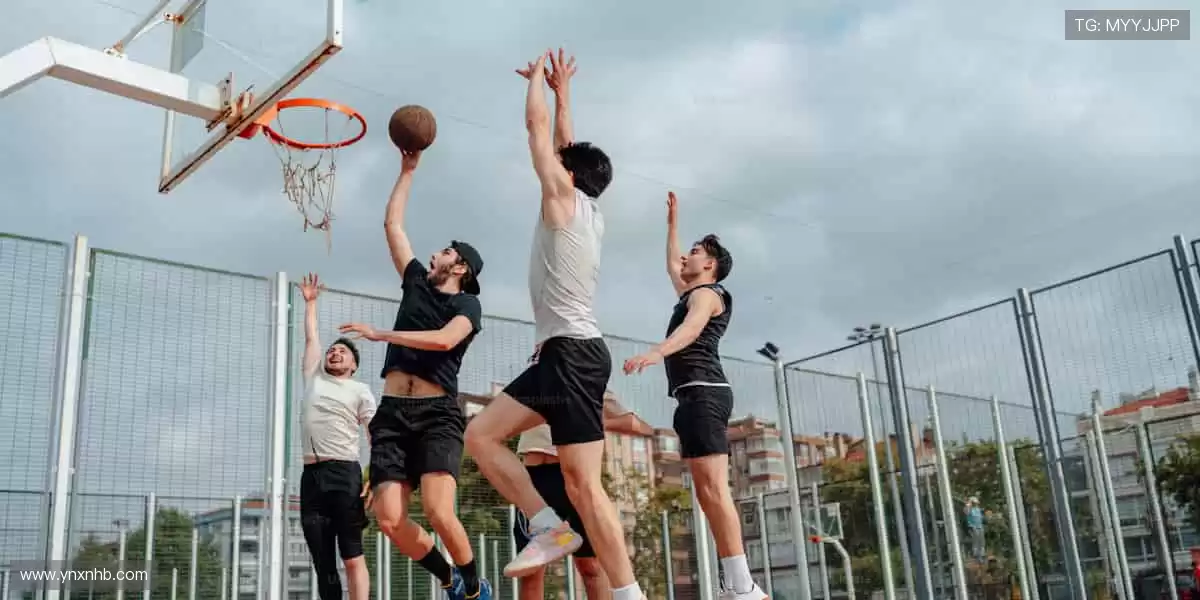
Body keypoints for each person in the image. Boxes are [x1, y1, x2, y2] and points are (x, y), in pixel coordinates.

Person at [463, 48, 645, 600]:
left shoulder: (562, 196)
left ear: (569, 175)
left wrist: (537, 85)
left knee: (581, 485)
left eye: (562, 162)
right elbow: (566, 143)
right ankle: (551, 529)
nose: (554, 162)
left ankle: (616, 582)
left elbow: (536, 129)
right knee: (487, 438)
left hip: (570, 354)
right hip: (567, 355)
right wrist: (565, 91)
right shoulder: (589, 208)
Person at [337, 148, 492, 600]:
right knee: (387, 519)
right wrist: (406, 172)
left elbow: (446, 340)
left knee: (441, 513)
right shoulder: (415, 282)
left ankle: (473, 586)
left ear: (459, 267)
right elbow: (393, 226)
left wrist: (381, 333)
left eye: (447, 250)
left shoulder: (467, 304)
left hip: (436, 414)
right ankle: (448, 579)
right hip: (393, 415)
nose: (437, 251)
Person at [622, 192, 764, 600]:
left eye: (695, 252)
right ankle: (736, 582)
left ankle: (743, 586)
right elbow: (672, 264)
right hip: (691, 396)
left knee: (715, 490)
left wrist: (655, 351)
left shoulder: (708, 296)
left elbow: (690, 330)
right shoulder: (690, 290)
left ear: (711, 265)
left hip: (705, 392)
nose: (686, 257)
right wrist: (672, 225)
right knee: (705, 491)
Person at [512, 349, 634, 600]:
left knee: (590, 567)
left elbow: (633, 423)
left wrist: (588, 420)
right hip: (533, 481)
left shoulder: (589, 380)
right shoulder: (534, 379)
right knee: (531, 570)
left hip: (574, 477)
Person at [297, 273, 376, 600]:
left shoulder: (360, 390)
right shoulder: (313, 376)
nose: (336, 352)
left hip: (345, 475)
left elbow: (376, 436)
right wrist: (311, 304)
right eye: (333, 350)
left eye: (343, 351)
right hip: (312, 477)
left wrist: (377, 476)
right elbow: (312, 339)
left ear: (354, 365)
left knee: (352, 556)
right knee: (322, 561)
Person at [964, 496, 985, 563]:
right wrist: (968, 504)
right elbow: (966, 512)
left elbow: (980, 518)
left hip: (980, 527)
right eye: (974, 503)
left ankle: (981, 555)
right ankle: (976, 556)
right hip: (973, 527)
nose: (975, 504)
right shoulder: (969, 509)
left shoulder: (977, 509)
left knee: (981, 541)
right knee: (976, 541)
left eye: (976, 503)